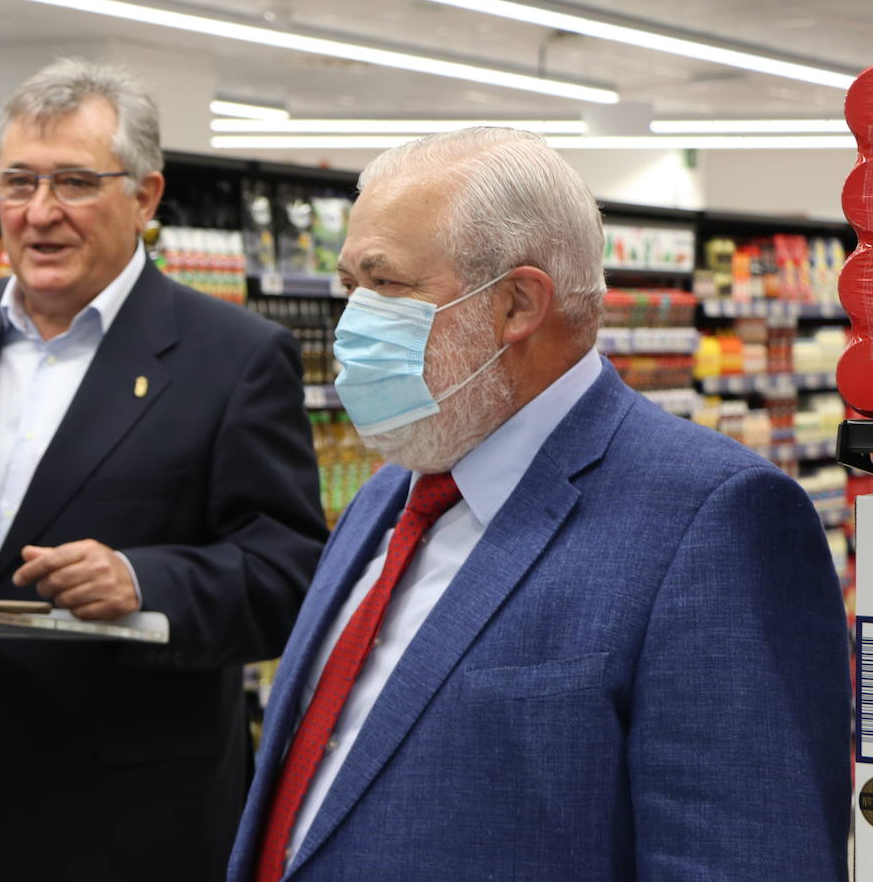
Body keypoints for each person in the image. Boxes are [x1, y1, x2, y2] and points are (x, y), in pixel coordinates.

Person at [228, 127, 851, 881]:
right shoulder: (393, 491)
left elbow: (743, 857)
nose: (353, 323)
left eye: (386, 286)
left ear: (519, 302)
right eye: (347, 286)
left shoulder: (712, 520)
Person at [0, 58, 327, 880]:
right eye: (18, 183)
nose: (40, 214)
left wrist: (144, 581)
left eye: (73, 183)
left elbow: (289, 571)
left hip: (130, 821)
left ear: (145, 197)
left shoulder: (233, 358)